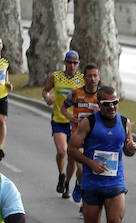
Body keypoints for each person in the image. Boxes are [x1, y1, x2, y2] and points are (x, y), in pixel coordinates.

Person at [68, 86, 136, 223]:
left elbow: (128, 147)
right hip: (92, 182)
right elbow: (72, 149)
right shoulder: (88, 123)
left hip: (115, 182)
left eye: (115, 102)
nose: (112, 107)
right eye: (107, 104)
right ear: (99, 104)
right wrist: (91, 164)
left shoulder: (124, 122)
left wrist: (132, 148)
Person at [42, 50, 84, 198]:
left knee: (72, 157)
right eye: (70, 62)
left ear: (78, 64)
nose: (72, 65)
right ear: (65, 62)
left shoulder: (82, 79)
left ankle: (67, 183)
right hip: (59, 120)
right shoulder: (55, 76)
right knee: (62, 151)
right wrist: (47, 98)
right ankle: (61, 174)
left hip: (76, 124)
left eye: (75, 63)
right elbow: (45, 91)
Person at [62, 63, 100, 206]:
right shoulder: (75, 93)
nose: (92, 79)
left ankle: (79, 185)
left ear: (99, 78)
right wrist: (70, 117)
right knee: (78, 166)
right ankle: (72, 186)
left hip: (94, 138)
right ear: (84, 78)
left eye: (95, 75)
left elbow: (111, 114)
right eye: (89, 76)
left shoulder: (102, 96)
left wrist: (99, 112)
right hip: (77, 137)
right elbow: (63, 108)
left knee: (85, 170)